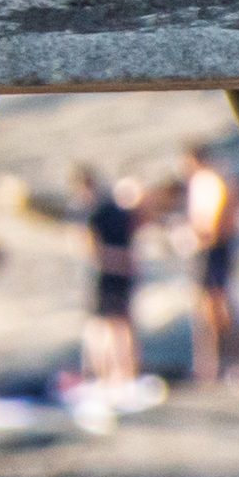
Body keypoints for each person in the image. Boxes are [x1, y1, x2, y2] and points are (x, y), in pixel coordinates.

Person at [75, 171, 153, 417]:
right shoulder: (112, 212)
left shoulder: (98, 213)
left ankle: (116, 378)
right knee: (113, 327)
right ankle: (115, 378)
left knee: (112, 327)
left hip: (111, 275)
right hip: (117, 274)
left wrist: (116, 261)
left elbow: (92, 251)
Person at [180, 148, 239, 385]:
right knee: (208, 308)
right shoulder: (204, 182)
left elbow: (214, 222)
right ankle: (211, 367)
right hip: (210, 248)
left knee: (218, 307)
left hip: (213, 248)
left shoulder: (209, 181)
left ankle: (230, 366)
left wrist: (198, 236)